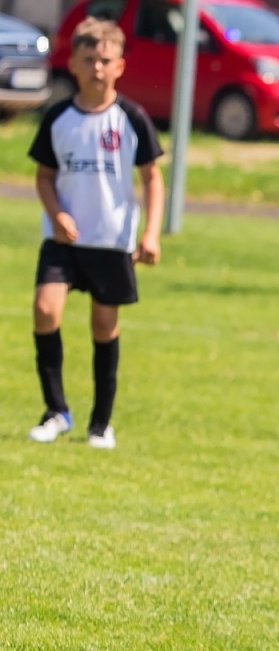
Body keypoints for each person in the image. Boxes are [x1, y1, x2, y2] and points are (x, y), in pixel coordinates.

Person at [26, 17, 163, 450]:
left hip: (110, 240)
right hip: (64, 241)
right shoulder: (59, 118)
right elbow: (45, 176)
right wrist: (57, 214)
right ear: (73, 64)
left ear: (120, 66)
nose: (98, 68)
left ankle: (100, 423)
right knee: (46, 311)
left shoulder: (132, 119)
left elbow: (152, 179)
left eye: (106, 60)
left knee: (104, 326)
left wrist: (152, 233)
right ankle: (55, 411)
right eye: (90, 60)